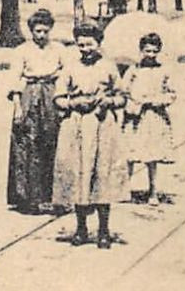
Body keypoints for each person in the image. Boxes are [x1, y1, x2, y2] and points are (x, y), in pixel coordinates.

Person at [52, 22, 128, 248]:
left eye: (90, 44)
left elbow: (122, 96)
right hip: (76, 126)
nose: (85, 49)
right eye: (81, 45)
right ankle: (81, 228)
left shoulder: (108, 67)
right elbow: (58, 98)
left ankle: (104, 229)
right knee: (79, 174)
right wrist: (74, 102)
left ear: (99, 44)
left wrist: (108, 101)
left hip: (103, 125)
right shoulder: (70, 68)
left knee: (102, 173)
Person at [7, 8, 69, 215]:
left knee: (52, 143)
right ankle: (28, 198)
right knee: (27, 146)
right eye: (37, 31)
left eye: (45, 31)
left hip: (52, 96)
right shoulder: (22, 50)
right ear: (31, 30)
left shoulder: (59, 49)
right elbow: (15, 81)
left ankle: (52, 196)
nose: (41, 35)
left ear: (50, 29)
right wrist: (17, 108)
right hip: (29, 96)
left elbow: (67, 74)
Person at [122, 32, 176, 205]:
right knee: (131, 153)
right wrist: (133, 104)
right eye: (147, 51)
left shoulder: (163, 71)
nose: (151, 55)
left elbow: (172, 93)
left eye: (154, 51)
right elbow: (124, 91)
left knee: (151, 156)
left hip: (154, 116)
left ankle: (153, 191)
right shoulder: (133, 70)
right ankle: (125, 189)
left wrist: (157, 101)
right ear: (141, 50)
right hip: (136, 116)